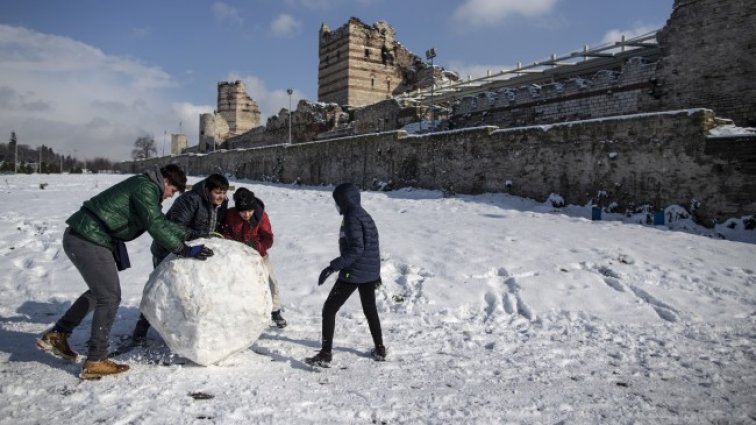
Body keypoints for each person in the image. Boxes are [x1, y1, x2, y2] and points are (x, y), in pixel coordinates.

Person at [36, 164, 214, 380]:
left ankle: (58, 334)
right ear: (165, 181)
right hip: (88, 238)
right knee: (109, 297)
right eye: (172, 191)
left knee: (99, 292)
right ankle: (95, 360)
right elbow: (155, 225)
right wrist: (183, 249)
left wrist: (191, 233)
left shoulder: (146, 188)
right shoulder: (146, 188)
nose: (170, 196)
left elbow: (161, 222)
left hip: (88, 237)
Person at [131, 173, 230, 344]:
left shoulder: (222, 203)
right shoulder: (190, 200)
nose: (221, 197)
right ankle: (140, 331)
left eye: (224, 193)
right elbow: (175, 227)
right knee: (160, 290)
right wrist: (200, 236)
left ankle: (185, 332)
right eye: (218, 192)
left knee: (190, 292)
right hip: (169, 249)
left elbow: (219, 226)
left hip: (195, 252)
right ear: (207, 190)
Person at [306, 183, 386, 367]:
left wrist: (332, 267)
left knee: (329, 309)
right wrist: (375, 273)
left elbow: (357, 249)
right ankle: (380, 348)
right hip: (368, 272)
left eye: (337, 201)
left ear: (344, 200)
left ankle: (326, 353)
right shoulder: (365, 215)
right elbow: (373, 246)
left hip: (354, 271)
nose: (337, 206)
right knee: (370, 310)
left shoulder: (351, 218)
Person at [223, 187, 287, 328]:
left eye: (249, 211)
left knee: (271, 282)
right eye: (243, 211)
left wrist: (257, 246)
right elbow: (225, 232)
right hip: (238, 257)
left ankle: (275, 311)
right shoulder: (230, 215)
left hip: (259, 255)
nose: (246, 214)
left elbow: (268, 238)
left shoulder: (261, 216)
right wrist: (233, 244)